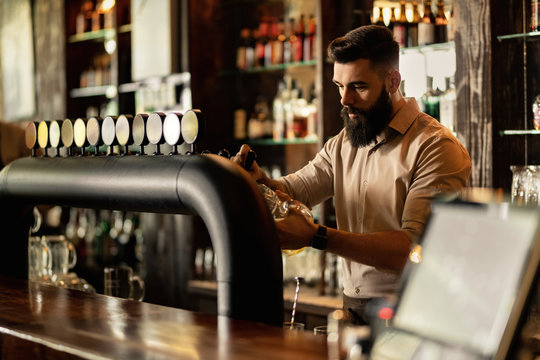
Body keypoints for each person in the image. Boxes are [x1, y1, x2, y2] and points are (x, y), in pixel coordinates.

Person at [232, 25, 471, 323]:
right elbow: (293, 191)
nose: (344, 100)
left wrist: (318, 236)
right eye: (339, 86)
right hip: (350, 309)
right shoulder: (343, 144)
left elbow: (412, 249)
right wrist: (259, 181)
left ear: (392, 81)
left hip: (414, 313)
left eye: (358, 87)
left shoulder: (435, 147)